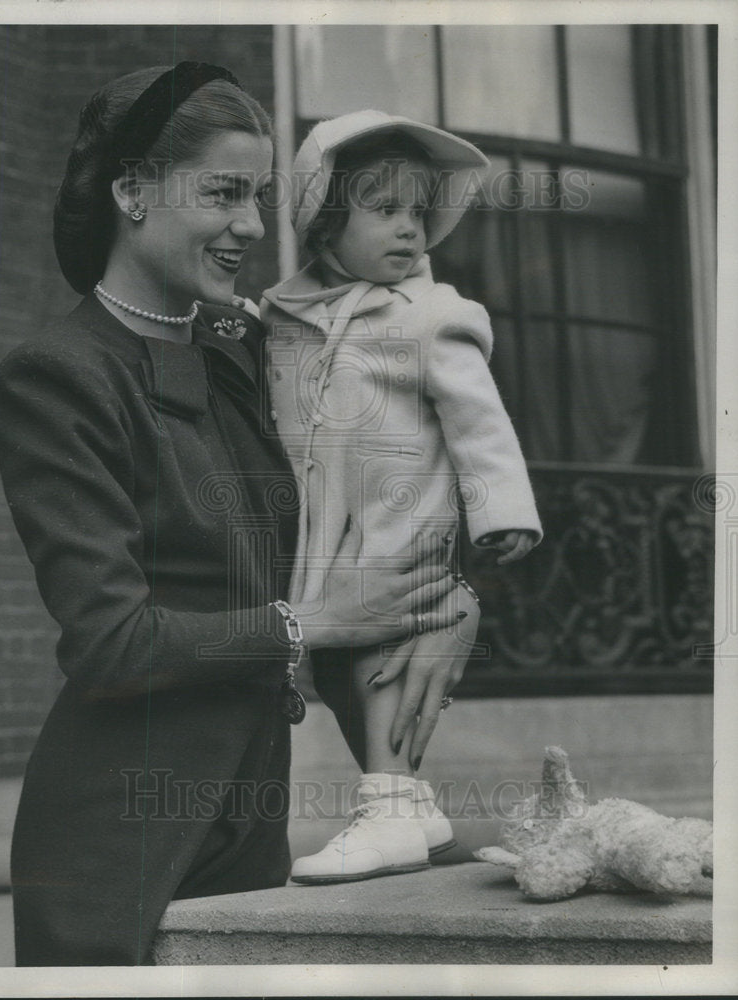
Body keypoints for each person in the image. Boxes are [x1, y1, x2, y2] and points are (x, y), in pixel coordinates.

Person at [0, 67, 462, 966]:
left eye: (259, 196)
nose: (252, 225)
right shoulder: (62, 373)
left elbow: (324, 536)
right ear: (131, 190)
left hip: (248, 819)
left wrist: (425, 606)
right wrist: (312, 623)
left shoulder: (239, 353)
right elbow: (111, 641)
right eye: (223, 193)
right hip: (117, 837)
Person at [261, 110, 543, 884]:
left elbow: (478, 422)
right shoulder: (283, 318)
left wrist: (502, 511)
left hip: (399, 520)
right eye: (386, 211)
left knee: (380, 656)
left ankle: (387, 808)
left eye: (419, 213)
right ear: (324, 224)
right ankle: (409, 801)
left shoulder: (428, 317)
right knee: (334, 663)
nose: (411, 231)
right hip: (323, 533)